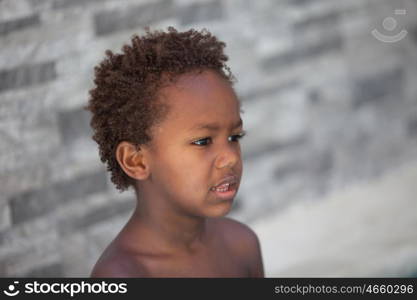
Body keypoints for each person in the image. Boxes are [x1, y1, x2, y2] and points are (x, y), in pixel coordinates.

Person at [85, 27, 264, 277]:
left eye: (234, 137)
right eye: (203, 141)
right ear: (135, 160)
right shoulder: (123, 276)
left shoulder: (241, 245)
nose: (231, 157)